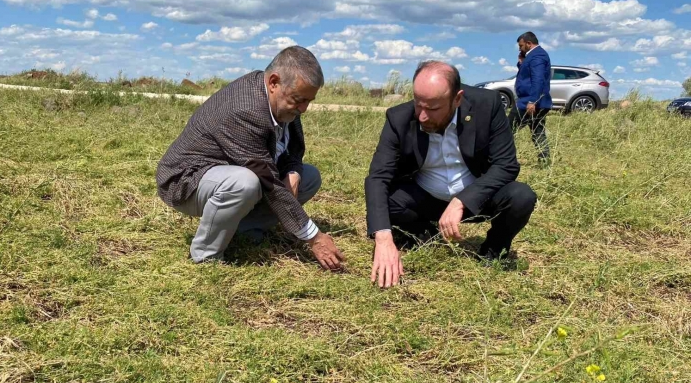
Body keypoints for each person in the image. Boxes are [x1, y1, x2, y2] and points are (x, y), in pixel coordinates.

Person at [156, 46, 345, 270]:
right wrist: (313, 237)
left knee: (309, 176)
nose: (303, 109)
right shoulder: (244, 109)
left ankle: (244, 229)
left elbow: (294, 150)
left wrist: (293, 172)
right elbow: (267, 179)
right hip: (186, 181)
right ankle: (206, 256)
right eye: (299, 100)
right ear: (274, 82)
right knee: (244, 183)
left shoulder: (283, 101)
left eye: (308, 101)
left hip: (232, 172)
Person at [365, 61, 537, 288]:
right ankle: (421, 234)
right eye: (418, 105)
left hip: (476, 201)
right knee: (388, 200)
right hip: (425, 199)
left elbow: (506, 165)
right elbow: (378, 177)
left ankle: (493, 250)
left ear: (457, 99)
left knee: (521, 196)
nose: (423, 116)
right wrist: (383, 238)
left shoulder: (487, 105)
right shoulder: (399, 118)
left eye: (433, 109)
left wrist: (462, 201)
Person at [510, 31, 552, 163]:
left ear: (529, 44)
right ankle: (544, 161)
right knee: (537, 132)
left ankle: (503, 160)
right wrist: (521, 63)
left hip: (528, 102)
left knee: (506, 130)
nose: (519, 49)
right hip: (536, 101)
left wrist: (532, 100)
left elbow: (538, 79)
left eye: (521, 46)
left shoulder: (537, 56)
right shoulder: (533, 56)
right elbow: (528, 75)